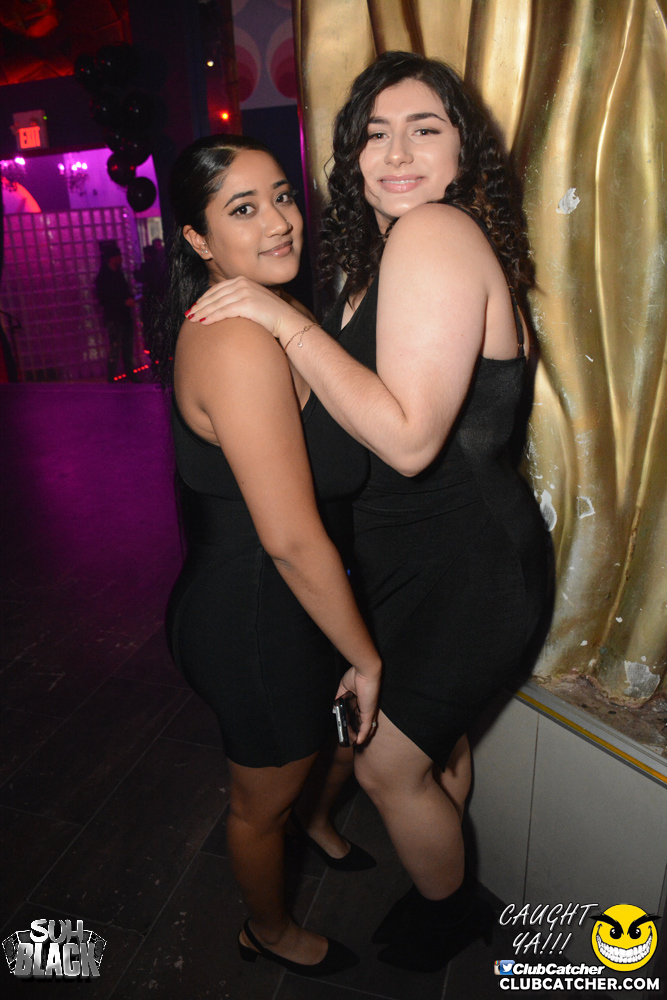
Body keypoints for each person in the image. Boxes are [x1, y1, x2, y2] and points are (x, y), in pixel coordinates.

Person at [186, 51, 552, 974]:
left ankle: (446, 915)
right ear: (349, 155)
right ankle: (445, 884)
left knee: (388, 764)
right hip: (414, 557)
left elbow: (409, 442)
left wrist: (285, 322)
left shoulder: (431, 230)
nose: (395, 153)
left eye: (424, 129)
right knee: (430, 747)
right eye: (374, 134)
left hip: (465, 563)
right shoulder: (389, 251)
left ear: (462, 152)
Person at [155, 134, 382, 977]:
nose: (279, 221)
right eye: (243, 209)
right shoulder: (237, 342)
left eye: (282, 196)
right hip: (254, 616)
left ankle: (316, 825)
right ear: (198, 239)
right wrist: (364, 655)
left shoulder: (277, 314)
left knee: (340, 742)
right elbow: (287, 539)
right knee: (261, 803)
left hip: (296, 594)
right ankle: (268, 931)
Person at [95, 243, 137, 382]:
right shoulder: (105, 277)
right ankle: (114, 376)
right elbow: (104, 299)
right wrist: (124, 302)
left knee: (125, 348)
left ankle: (124, 375)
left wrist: (129, 298)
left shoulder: (117, 274)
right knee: (116, 348)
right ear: (111, 258)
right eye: (117, 257)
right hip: (115, 317)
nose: (120, 259)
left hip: (122, 316)